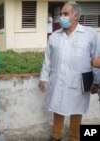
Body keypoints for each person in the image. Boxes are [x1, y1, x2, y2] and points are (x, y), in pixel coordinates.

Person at [38, 3, 100, 141]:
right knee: (58, 106)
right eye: (61, 14)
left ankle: (74, 137)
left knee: (76, 110)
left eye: (65, 14)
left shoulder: (89, 34)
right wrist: (43, 78)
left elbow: (96, 59)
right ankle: (56, 135)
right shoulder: (54, 36)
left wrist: (96, 82)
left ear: (76, 16)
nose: (61, 17)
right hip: (58, 79)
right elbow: (47, 59)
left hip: (79, 82)